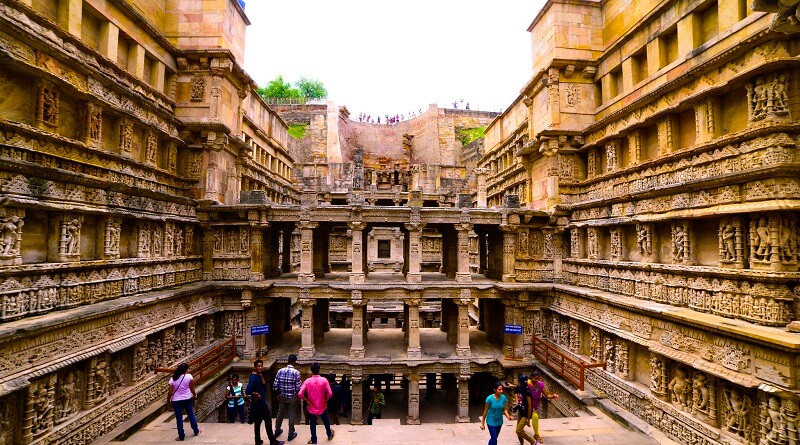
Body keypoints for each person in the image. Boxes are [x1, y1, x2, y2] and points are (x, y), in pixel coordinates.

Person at [246, 360, 284, 445]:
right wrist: (255, 394)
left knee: (258, 423)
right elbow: (248, 391)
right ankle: (272, 441)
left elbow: (263, 386)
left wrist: (262, 377)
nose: (260, 368)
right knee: (268, 422)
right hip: (260, 404)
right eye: (258, 366)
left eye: (261, 366)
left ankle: (258, 441)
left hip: (258, 404)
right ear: (255, 367)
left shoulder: (258, 375)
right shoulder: (253, 377)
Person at [298, 362, 334, 444]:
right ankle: (329, 434)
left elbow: (300, 394)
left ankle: (314, 441)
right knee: (326, 421)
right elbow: (330, 394)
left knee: (312, 424)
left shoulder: (308, 381)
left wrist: (307, 401)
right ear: (319, 370)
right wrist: (325, 401)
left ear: (311, 370)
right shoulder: (324, 380)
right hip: (322, 405)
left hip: (311, 406)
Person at [167, 363, 201, 441]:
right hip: (187, 399)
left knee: (179, 419)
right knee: (191, 415)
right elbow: (192, 388)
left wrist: (168, 402)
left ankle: (181, 436)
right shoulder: (189, 377)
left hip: (176, 400)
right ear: (186, 370)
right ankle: (196, 431)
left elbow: (170, 392)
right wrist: (195, 395)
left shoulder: (173, 378)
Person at [273, 354, 301, 441]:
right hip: (292, 397)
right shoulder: (296, 373)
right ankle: (290, 433)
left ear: (288, 361)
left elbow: (275, 386)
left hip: (282, 396)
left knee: (280, 413)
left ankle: (277, 430)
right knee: (291, 415)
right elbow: (297, 388)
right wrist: (297, 396)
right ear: (294, 362)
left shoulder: (280, 371)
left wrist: (277, 395)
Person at [528, 371, 559, 444]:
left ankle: (536, 434)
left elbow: (547, 395)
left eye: (538, 379)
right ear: (531, 377)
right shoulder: (528, 384)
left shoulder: (541, 385)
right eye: (535, 379)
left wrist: (553, 396)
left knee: (535, 417)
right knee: (523, 421)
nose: (537, 380)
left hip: (534, 405)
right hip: (526, 405)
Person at [513, 373, 536, 445]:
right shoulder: (521, 388)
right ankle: (521, 443)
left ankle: (532, 441)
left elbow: (530, 406)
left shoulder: (527, 391)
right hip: (521, 411)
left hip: (526, 414)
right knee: (518, 430)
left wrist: (528, 419)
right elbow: (516, 390)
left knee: (518, 431)